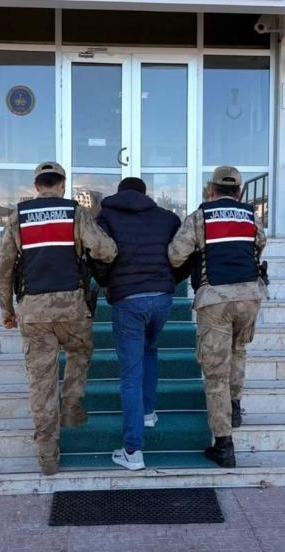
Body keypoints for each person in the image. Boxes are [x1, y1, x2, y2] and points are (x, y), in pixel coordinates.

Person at [0, 161, 117, 476]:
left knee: (42, 384)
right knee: (80, 351)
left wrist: (7, 310)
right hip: (72, 308)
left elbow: (3, 267)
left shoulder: (17, 217)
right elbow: (106, 250)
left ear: (37, 186)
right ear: (62, 184)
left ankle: (48, 456)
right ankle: (72, 407)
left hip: (33, 311)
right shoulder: (75, 213)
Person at [167, 166, 268, 468]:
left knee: (215, 372)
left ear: (211, 189)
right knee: (239, 350)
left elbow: (175, 254)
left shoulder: (200, 217)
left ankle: (223, 444)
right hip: (250, 295)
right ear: (239, 191)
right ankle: (234, 405)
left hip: (215, 299)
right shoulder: (251, 216)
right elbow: (259, 245)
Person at [93, 177, 185, 471]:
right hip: (161, 299)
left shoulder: (105, 217)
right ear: (146, 195)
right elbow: (182, 255)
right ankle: (147, 412)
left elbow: (99, 257)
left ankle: (132, 451)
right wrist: (169, 282)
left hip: (128, 300)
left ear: (119, 194)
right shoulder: (167, 218)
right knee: (150, 349)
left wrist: (108, 284)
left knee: (130, 373)